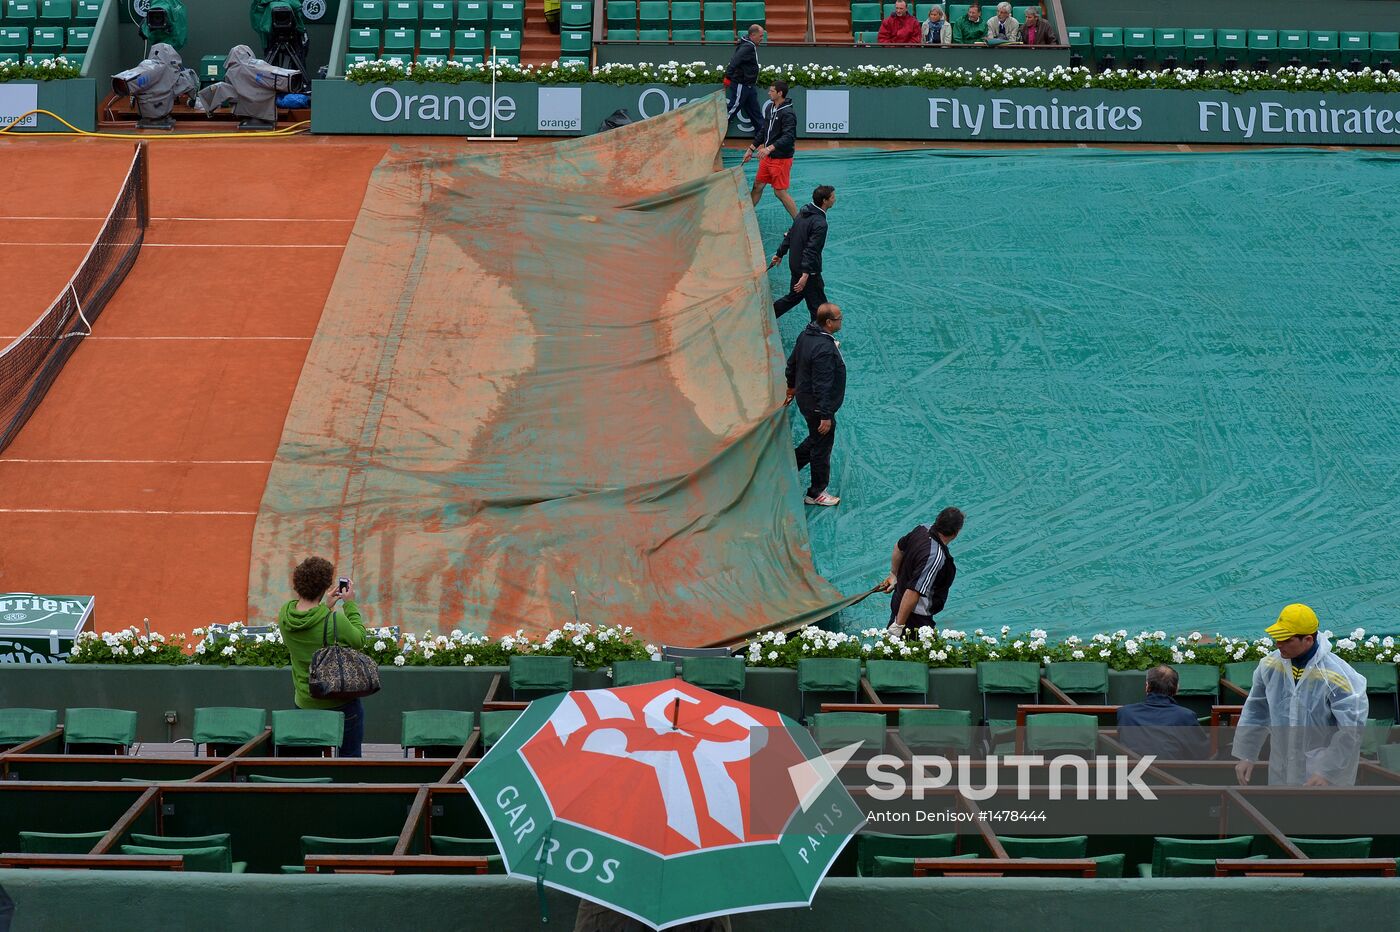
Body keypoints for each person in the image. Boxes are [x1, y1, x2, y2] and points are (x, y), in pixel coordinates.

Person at [1232, 604, 1368, 786]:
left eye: (1286, 640)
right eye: (1277, 639)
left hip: (1320, 776)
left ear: (1308, 640)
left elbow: (1351, 730)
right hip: (1281, 769)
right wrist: (1246, 754)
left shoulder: (1339, 676)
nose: (1278, 645)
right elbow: (1256, 711)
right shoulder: (1270, 666)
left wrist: (1328, 771)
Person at [277, 556, 368, 758]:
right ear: (325, 586)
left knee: (308, 760)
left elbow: (309, 624)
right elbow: (360, 638)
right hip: (339, 702)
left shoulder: (285, 615)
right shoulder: (335, 620)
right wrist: (350, 605)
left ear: (297, 584)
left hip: (304, 702)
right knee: (350, 760)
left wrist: (324, 606)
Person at [784, 304, 846, 506]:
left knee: (817, 437)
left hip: (806, 399)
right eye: (838, 318)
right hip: (817, 408)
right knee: (822, 447)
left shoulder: (806, 335)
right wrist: (825, 414)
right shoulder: (824, 349)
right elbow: (822, 384)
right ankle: (816, 492)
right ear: (828, 322)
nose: (841, 321)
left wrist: (791, 386)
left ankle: (790, 465)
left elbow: (792, 363)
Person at [877, 507, 964, 639]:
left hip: (899, 602)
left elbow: (899, 547)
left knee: (891, 649)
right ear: (956, 533)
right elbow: (913, 591)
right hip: (914, 617)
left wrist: (893, 574)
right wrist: (899, 626)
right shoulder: (936, 557)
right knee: (924, 656)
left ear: (938, 521)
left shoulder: (922, 529)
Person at [1116, 666, 1210, 760]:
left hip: (1131, 773)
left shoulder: (1125, 713)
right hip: (1172, 774)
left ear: (1147, 686)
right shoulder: (1186, 716)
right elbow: (1202, 754)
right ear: (1177, 688)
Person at [769, 185, 835, 320]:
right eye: (833, 197)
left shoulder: (803, 213)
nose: (835, 199)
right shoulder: (820, 223)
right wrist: (806, 275)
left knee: (794, 296)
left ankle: (767, 316)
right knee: (819, 306)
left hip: (795, 265)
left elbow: (790, 234)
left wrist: (780, 253)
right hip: (808, 272)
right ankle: (819, 336)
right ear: (824, 201)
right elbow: (812, 250)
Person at [741, 80, 798, 219]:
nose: (768, 93)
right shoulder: (769, 108)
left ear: (780, 93)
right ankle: (743, 216)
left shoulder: (788, 113)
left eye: (771, 91)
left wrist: (769, 149)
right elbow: (764, 131)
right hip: (767, 159)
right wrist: (751, 148)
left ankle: (800, 223)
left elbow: (789, 137)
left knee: (780, 192)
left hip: (781, 160)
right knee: (758, 186)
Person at [723, 24, 765, 138]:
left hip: (749, 86)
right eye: (760, 36)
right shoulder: (748, 47)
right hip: (742, 85)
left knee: (755, 112)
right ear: (753, 35)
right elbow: (735, 61)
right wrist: (728, 77)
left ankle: (762, 137)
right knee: (731, 110)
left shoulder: (748, 44)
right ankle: (714, 132)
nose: (762, 38)